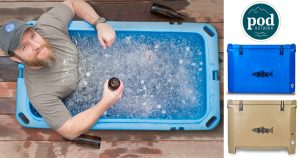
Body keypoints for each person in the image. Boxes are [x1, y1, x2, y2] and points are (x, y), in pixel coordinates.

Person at [0, 0, 124, 140]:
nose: (36, 45)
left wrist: (99, 24)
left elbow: (73, 3)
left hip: (100, 60)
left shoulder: (47, 27)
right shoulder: (39, 93)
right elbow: (69, 130)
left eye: (33, 35)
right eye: (25, 47)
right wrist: (105, 102)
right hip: (89, 94)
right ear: (17, 59)